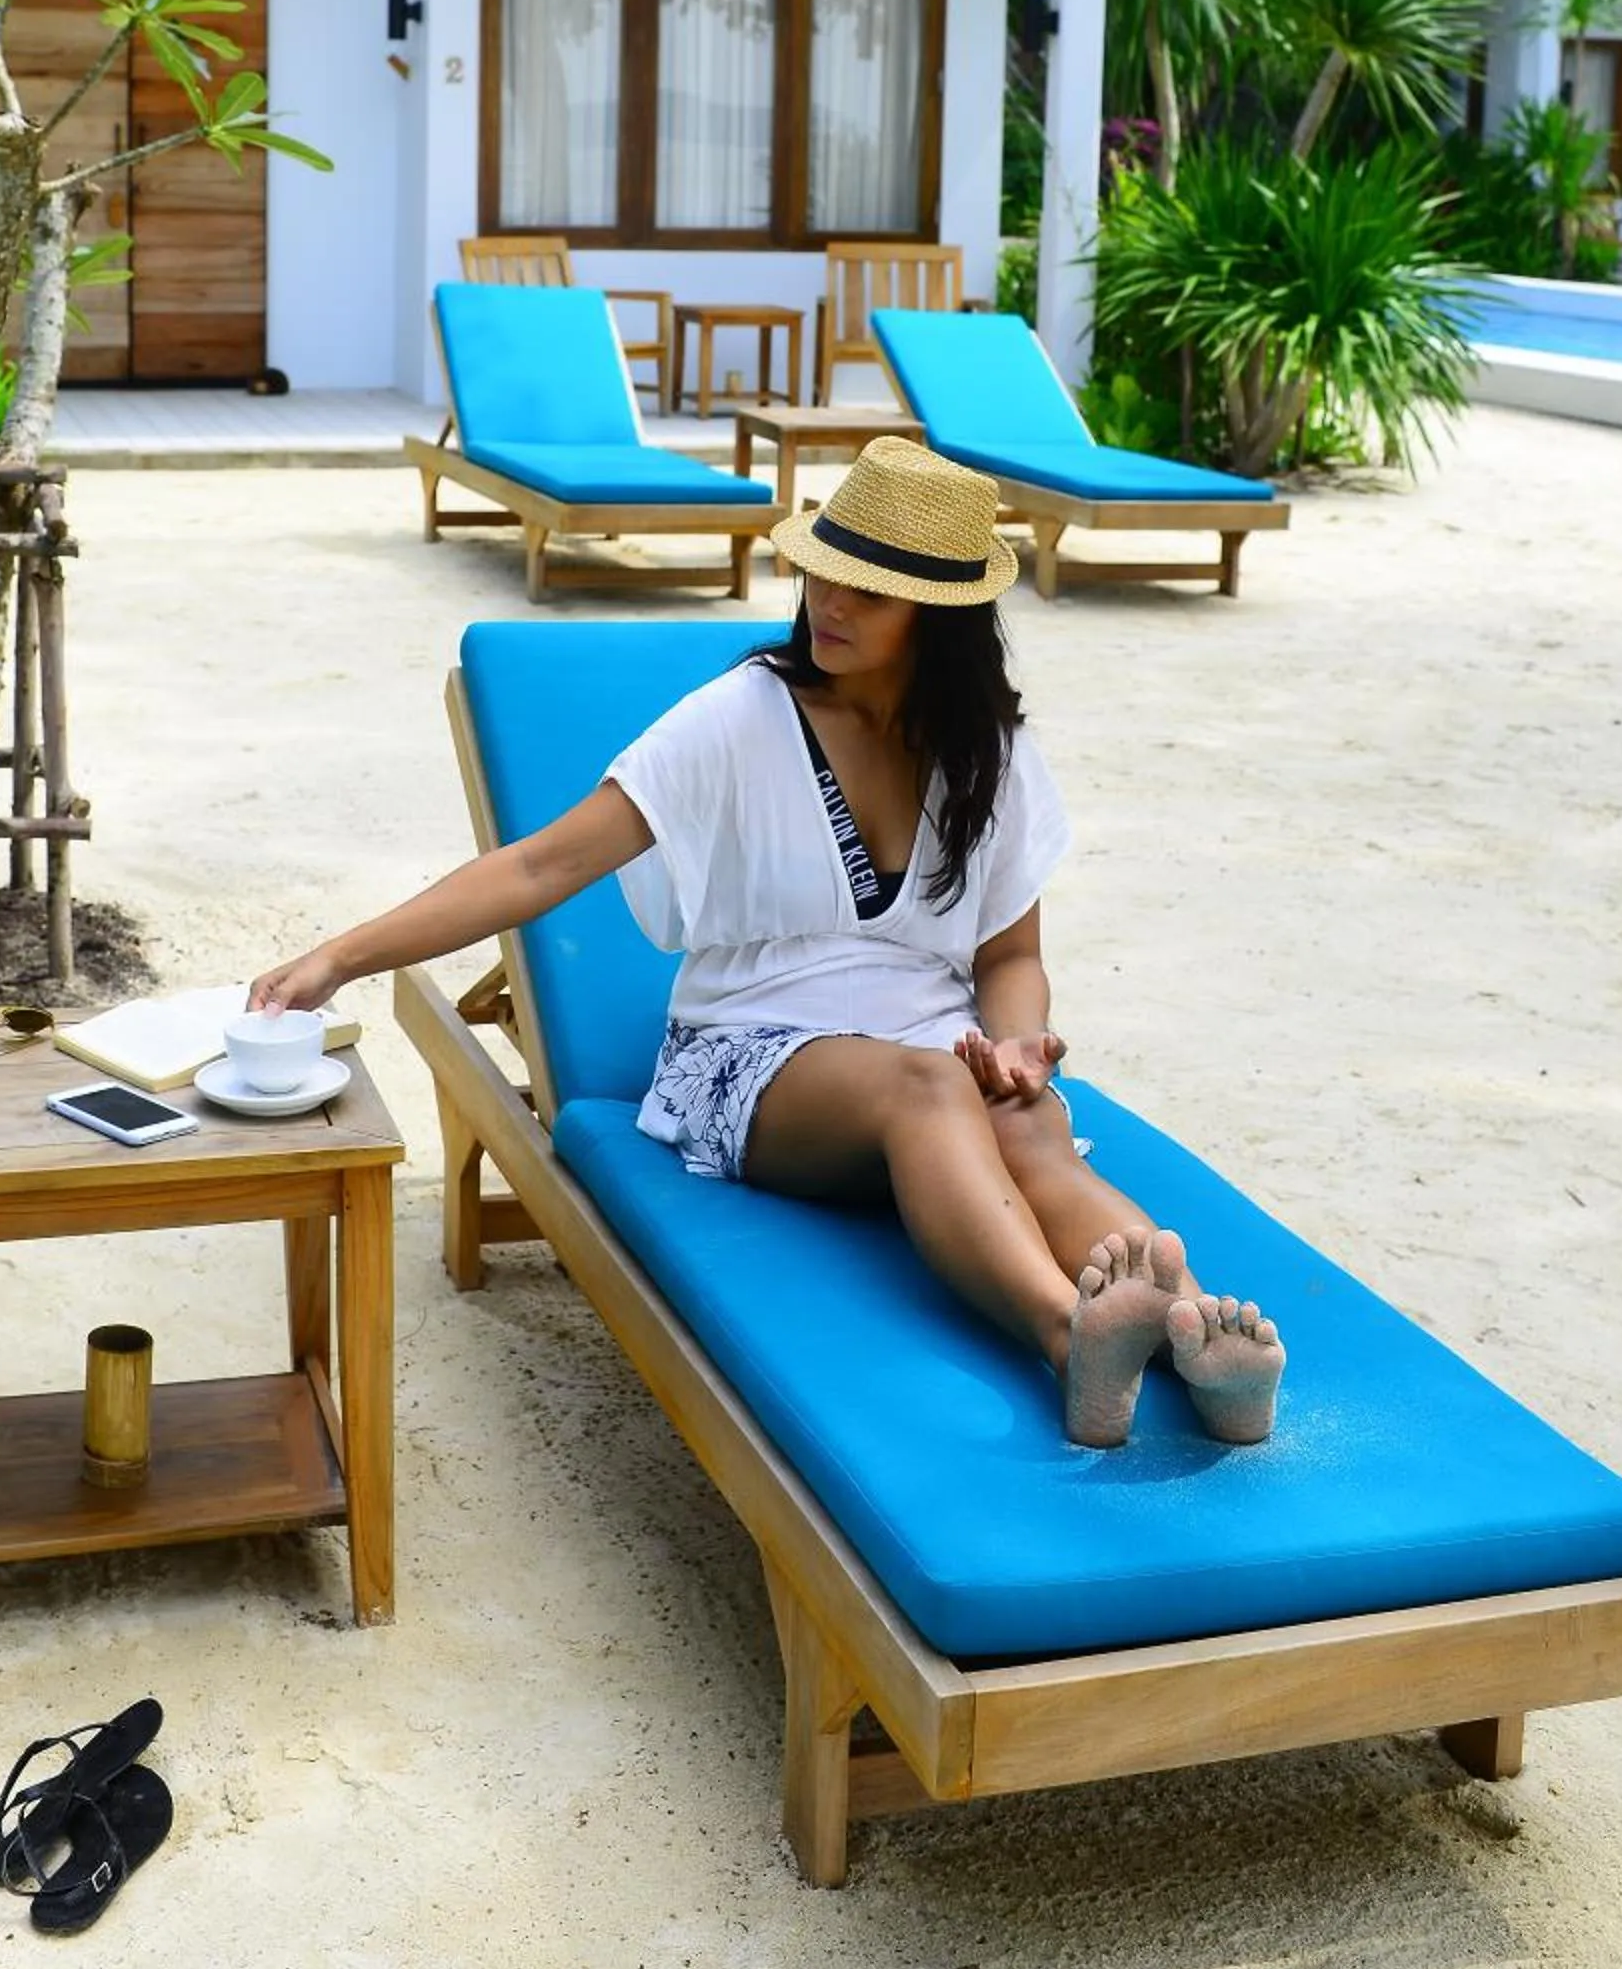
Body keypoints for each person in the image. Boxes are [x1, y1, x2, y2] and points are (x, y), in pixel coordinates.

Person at [253, 436, 1283, 1450]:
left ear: (938, 616)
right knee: (928, 1086)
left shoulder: (990, 753)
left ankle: (1192, 1335)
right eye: (821, 577)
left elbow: (1008, 958)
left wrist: (1017, 1045)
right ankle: (1071, 1343)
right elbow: (539, 868)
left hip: (937, 1050)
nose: (827, 607)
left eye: (866, 594)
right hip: (751, 1055)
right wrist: (339, 957)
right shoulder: (739, 720)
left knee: (1030, 1128)